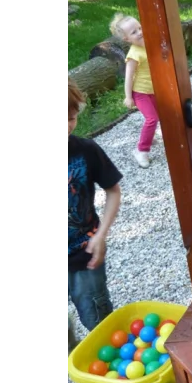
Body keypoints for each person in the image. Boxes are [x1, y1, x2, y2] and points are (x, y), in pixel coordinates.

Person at [65, 77, 123, 331]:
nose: (66, 127)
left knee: (99, 324)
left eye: (71, 118)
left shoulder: (87, 150)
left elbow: (113, 191)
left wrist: (101, 235)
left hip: (84, 254)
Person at [110, 13, 159, 168]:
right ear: (127, 39)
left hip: (153, 90)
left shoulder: (149, 45)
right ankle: (141, 151)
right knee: (152, 119)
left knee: (160, 115)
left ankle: (150, 136)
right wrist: (128, 97)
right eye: (134, 32)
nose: (139, 32)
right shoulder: (134, 54)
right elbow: (129, 76)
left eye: (139, 27)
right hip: (140, 92)